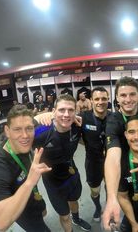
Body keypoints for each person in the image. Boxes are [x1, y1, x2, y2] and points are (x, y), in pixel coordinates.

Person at [0, 104, 51, 232]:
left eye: (29, 128)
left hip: (34, 197)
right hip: (21, 210)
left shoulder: (27, 135)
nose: (25, 135)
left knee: (43, 212)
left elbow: (51, 118)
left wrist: (51, 114)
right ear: (7, 131)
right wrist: (30, 182)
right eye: (17, 129)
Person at [102, 76, 138, 230]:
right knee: (124, 198)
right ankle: (132, 222)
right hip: (124, 167)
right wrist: (111, 197)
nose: (128, 99)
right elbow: (112, 156)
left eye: (132, 94)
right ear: (117, 98)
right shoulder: (113, 120)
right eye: (123, 95)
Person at [33, 94, 91, 232]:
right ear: (54, 111)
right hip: (53, 183)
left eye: (71, 110)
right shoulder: (41, 133)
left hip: (72, 175)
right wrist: (35, 118)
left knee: (74, 200)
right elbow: (19, 133)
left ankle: (76, 219)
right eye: (62, 110)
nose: (66, 114)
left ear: (75, 112)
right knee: (64, 216)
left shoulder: (77, 126)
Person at [80, 87, 111, 221]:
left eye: (104, 98)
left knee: (110, 189)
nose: (100, 102)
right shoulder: (83, 117)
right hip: (93, 162)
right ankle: (98, 208)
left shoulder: (115, 117)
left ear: (108, 100)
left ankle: (109, 210)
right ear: (91, 101)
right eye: (97, 99)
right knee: (95, 190)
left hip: (111, 162)